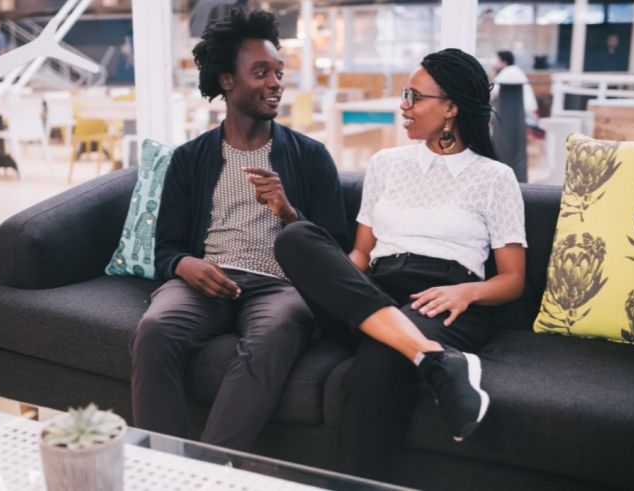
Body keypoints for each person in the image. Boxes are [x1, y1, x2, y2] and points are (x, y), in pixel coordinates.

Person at [274, 48, 527, 481]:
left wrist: (466, 291)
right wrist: (338, 280)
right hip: (373, 291)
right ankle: (434, 359)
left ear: (450, 108)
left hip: (442, 301)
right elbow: (360, 254)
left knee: (378, 358)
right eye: (403, 95)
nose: (403, 106)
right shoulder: (385, 165)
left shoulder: (494, 178)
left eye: (414, 96)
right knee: (297, 236)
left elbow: (513, 280)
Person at [129, 7, 348, 452]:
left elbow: (337, 250)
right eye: (261, 72)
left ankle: (207, 469)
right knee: (155, 329)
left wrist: (289, 213)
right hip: (206, 282)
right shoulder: (190, 159)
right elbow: (166, 247)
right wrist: (185, 265)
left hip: (279, 287)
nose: (276, 83)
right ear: (227, 81)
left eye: (279, 72)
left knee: (276, 332)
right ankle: (164, 464)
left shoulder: (310, 157)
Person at [491, 50, 538, 128]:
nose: (494, 63)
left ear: (504, 62)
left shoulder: (508, 72)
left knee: (489, 114)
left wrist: (492, 73)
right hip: (526, 111)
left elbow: (493, 93)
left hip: (524, 114)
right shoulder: (514, 70)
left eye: (497, 60)